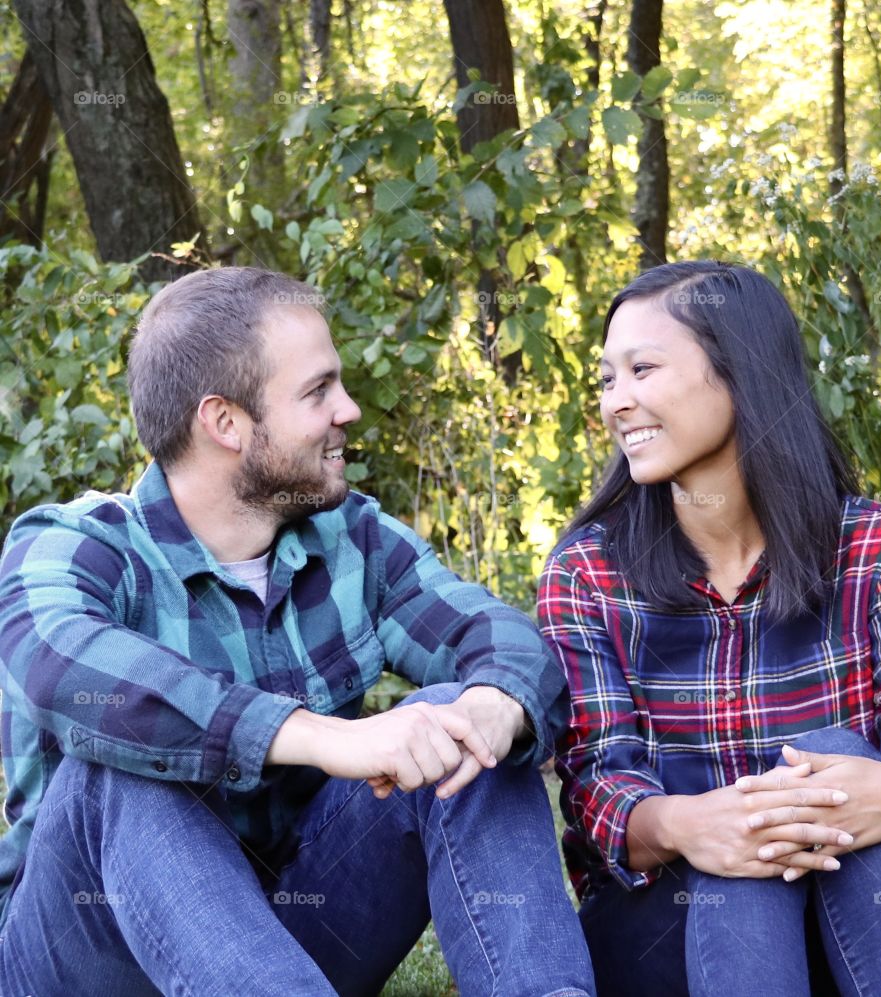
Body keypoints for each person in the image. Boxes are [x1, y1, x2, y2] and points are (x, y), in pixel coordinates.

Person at [0, 267, 595, 996]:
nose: (347, 409)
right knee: (114, 766)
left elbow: (502, 639)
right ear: (225, 422)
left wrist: (494, 703)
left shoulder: (351, 538)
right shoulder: (76, 544)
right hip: (91, 956)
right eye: (318, 391)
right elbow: (59, 664)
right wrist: (322, 734)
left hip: (283, 946)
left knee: (457, 722)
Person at [537, 260, 881, 996]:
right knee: (756, 829)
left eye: (642, 369)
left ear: (740, 372)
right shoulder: (588, 571)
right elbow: (598, 789)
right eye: (608, 379)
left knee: (825, 767)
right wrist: (697, 824)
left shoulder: (872, 547)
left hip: (836, 916)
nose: (616, 402)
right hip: (656, 931)